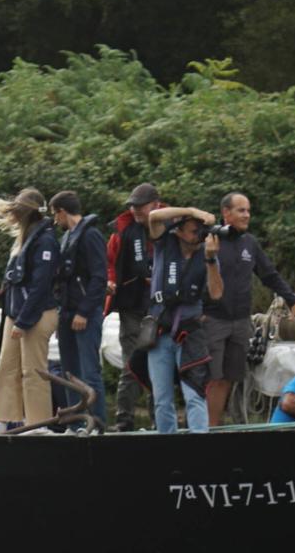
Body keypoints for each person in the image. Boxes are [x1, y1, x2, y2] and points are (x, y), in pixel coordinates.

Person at [204, 191, 295, 427]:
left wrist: (292, 300)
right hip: (214, 319)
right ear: (226, 213)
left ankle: (215, 424)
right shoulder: (210, 240)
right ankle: (206, 428)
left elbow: (269, 274)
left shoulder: (249, 243)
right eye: (241, 210)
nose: (247, 215)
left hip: (241, 320)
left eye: (248, 210)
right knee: (213, 376)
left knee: (231, 376)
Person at [138, 206, 223, 432]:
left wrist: (211, 260)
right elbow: (154, 217)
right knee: (162, 398)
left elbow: (216, 293)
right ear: (179, 231)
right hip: (159, 331)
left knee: (194, 394)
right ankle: (168, 446)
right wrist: (192, 210)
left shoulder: (207, 253)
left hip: (190, 332)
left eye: (202, 231)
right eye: (194, 230)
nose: (199, 236)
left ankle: (198, 446)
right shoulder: (164, 245)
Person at [0, 187, 60, 431]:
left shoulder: (46, 241)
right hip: (15, 312)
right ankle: (2, 419)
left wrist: (23, 321)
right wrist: (12, 317)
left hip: (36, 314)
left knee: (33, 370)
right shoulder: (23, 239)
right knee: (6, 367)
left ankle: (38, 423)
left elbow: (41, 286)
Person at [104, 182, 161, 430]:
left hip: (161, 308)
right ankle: (123, 420)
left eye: (141, 206)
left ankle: (159, 419)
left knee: (159, 362)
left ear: (156, 205)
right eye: (133, 206)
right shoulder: (123, 230)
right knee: (132, 362)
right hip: (132, 306)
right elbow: (109, 262)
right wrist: (110, 282)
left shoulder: (170, 224)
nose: (136, 210)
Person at [49, 190, 107, 425]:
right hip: (67, 313)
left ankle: (98, 423)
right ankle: (74, 423)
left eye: (55, 215)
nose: (55, 220)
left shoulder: (90, 235)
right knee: (69, 371)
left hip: (85, 314)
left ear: (63, 211)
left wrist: (84, 311)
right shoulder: (67, 239)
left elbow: (99, 277)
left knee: (89, 372)